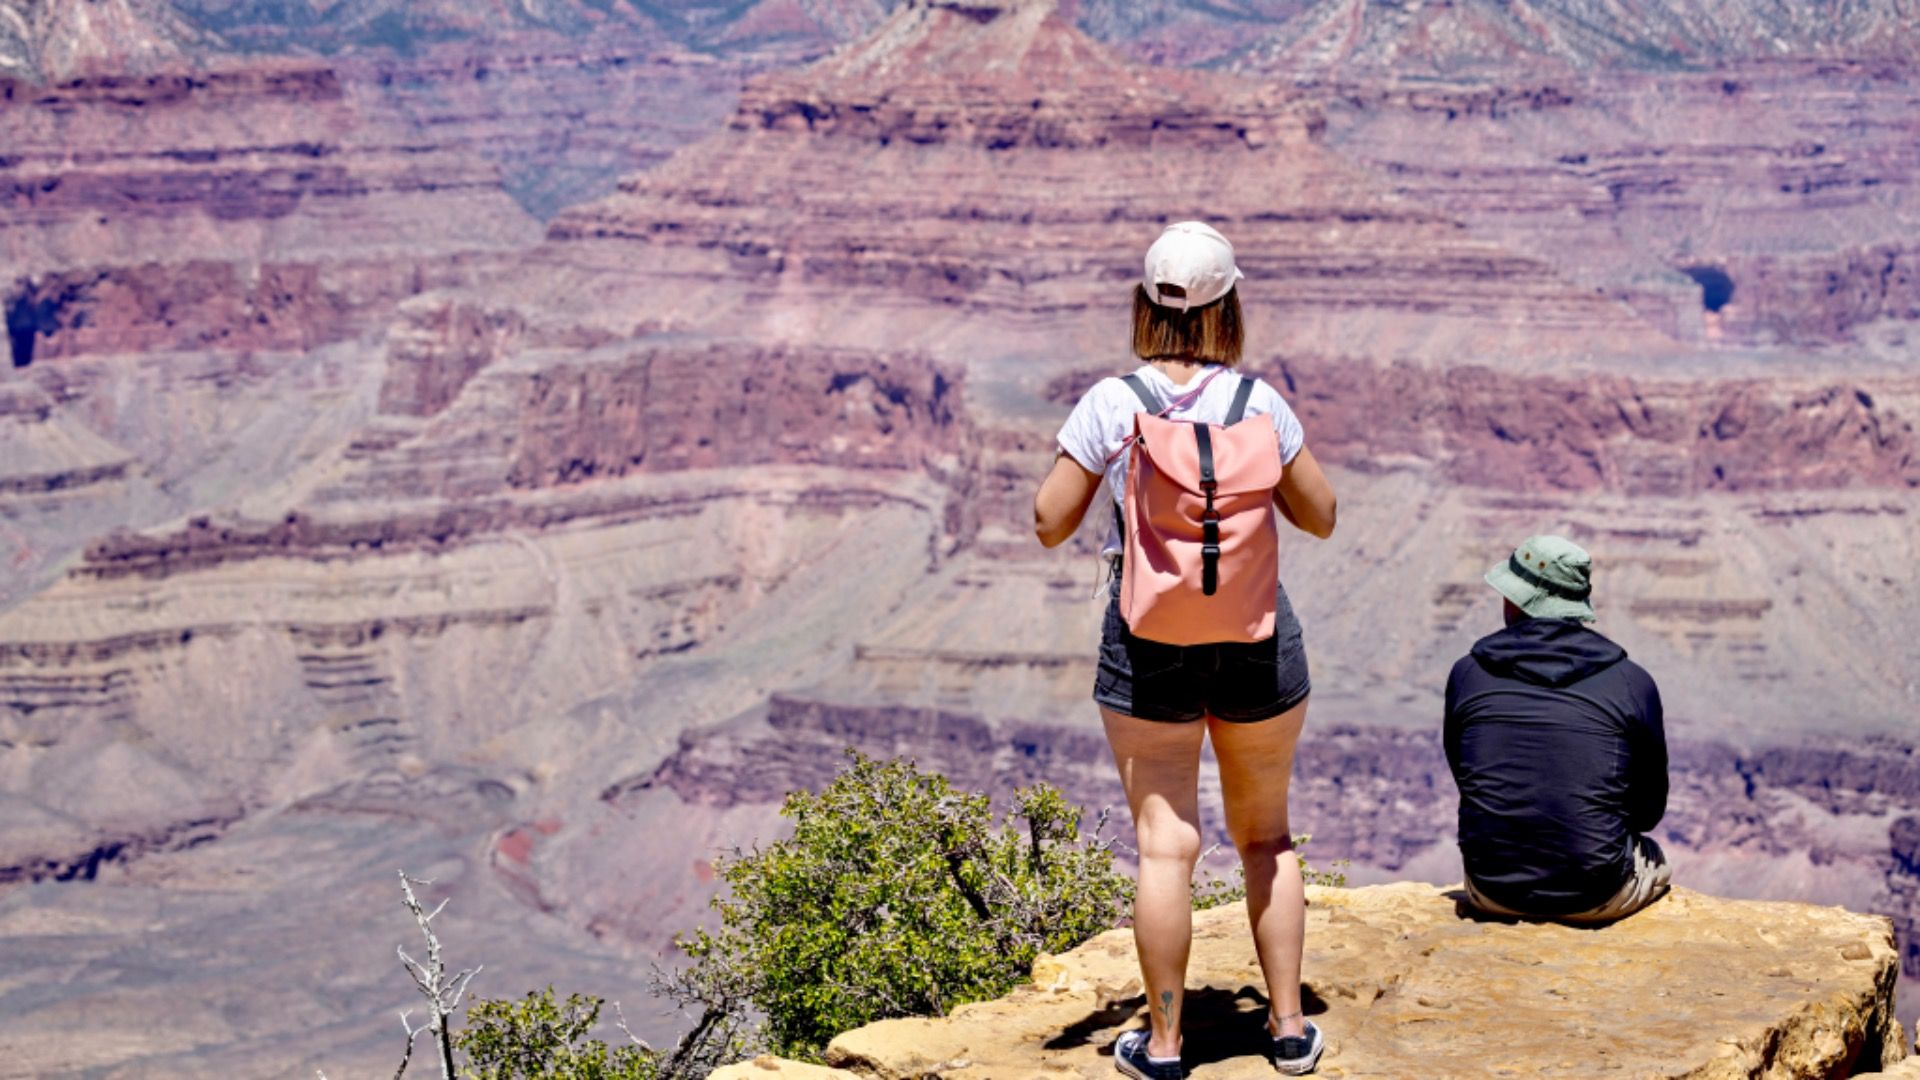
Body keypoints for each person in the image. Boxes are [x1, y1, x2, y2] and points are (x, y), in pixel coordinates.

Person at [1033, 221, 1338, 1079]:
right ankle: (1285, 1030)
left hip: (1147, 640)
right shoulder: (1260, 404)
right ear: (1229, 305)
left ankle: (1163, 1047)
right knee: (1266, 838)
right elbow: (1320, 514)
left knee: (1165, 845)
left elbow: (1050, 523)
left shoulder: (1111, 402)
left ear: (1146, 303)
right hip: (1256, 637)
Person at [1444, 535, 1671, 924]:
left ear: (1517, 601)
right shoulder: (1633, 683)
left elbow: (1467, 777)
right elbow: (1648, 811)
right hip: (1596, 895)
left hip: (1492, 889)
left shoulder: (1468, 673)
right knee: (1653, 854)